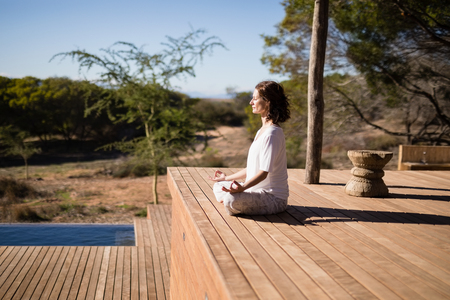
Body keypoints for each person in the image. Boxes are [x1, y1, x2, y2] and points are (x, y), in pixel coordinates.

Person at [209, 81, 290, 216]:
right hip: (254, 191)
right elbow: (253, 168)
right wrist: (227, 178)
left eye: (255, 98)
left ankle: (234, 200)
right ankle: (239, 199)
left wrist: (243, 188)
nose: (251, 102)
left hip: (273, 199)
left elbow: (263, 173)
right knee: (219, 185)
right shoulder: (262, 131)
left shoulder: (272, 134)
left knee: (230, 199)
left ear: (268, 101)